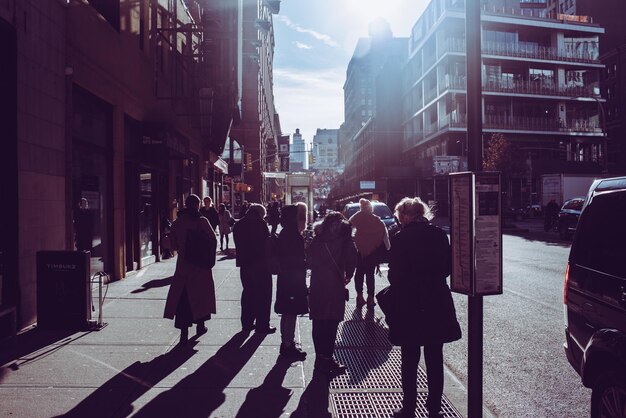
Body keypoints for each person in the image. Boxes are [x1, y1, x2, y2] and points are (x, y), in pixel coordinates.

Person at [387, 197, 461, 418]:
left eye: (400, 217)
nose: (399, 221)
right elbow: (447, 268)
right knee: (434, 355)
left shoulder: (400, 238)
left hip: (409, 303)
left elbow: (395, 275)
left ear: (407, 216)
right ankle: (434, 406)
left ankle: (409, 407)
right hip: (436, 300)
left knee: (410, 357)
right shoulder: (439, 235)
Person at [307, 211, 357, 375]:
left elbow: (310, 258)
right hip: (334, 284)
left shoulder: (318, 237)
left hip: (317, 283)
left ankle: (320, 358)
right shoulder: (345, 237)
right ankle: (327, 359)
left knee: (318, 321)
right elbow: (352, 258)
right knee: (331, 322)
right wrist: (348, 275)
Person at [163, 194, 217, 345]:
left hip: (184, 266)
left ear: (186, 204)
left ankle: (184, 333)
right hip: (201, 267)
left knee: (183, 299)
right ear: (198, 205)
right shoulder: (202, 221)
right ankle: (200, 326)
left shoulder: (178, 222)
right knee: (201, 296)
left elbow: (173, 247)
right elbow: (213, 241)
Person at [232, 203, 276, 334]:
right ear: (259, 213)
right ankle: (262, 325)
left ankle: (247, 323)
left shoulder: (239, 224)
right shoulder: (260, 224)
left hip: (245, 264)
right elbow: (266, 244)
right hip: (261, 264)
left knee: (248, 293)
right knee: (263, 295)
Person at [274, 205, 308, 360]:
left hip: (285, 278)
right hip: (293, 279)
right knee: (291, 312)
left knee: (287, 312)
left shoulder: (284, 232)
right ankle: (288, 344)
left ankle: (286, 343)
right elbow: (297, 259)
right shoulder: (294, 235)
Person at [348, 198, 390, 307]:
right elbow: (384, 234)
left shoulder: (356, 217)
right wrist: (388, 248)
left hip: (359, 251)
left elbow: (348, 229)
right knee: (370, 275)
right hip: (372, 252)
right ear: (370, 208)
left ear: (361, 207)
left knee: (359, 273)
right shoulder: (376, 220)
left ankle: (359, 296)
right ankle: (370, 298)